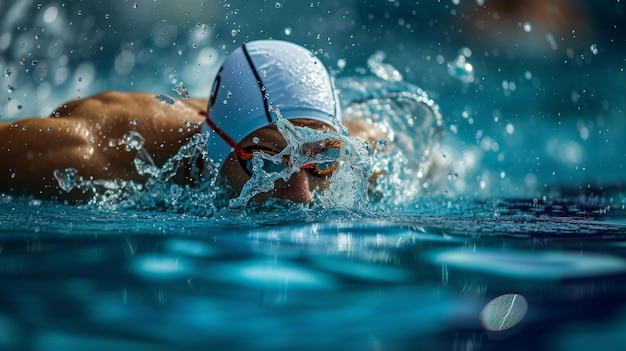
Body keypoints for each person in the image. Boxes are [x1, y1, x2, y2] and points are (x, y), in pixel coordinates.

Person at [0, 40, 384, 204]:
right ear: (215, 146)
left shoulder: (363, 156)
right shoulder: (96, 155)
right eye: (264, 161)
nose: (302, 196)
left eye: (320, 163)